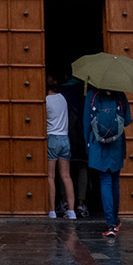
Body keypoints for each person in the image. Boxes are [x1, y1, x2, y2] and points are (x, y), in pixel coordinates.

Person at [84, 85, 130, 236]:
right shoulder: (119, 94)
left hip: (98, 144)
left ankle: (110, 223)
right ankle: (115, 221)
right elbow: (127, 120)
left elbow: (86, 123)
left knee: (105, 181)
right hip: (116, 144)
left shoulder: (92, 95)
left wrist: (87, 145)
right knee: (115, 181)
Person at [45, 79, 77, 219]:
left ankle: (52, 211)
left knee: (50, 176)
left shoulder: (46, 101)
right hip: (65, 138)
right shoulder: (63, 99)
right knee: (66, 176)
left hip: (52, 138)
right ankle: (71, 211)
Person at [59, 75, 91, 216]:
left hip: (65, 133)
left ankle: (65, 201)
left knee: (63, 171)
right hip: (82, 135)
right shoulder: (87, 93)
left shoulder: (61, 92)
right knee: (82, 169)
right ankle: (81, 204)